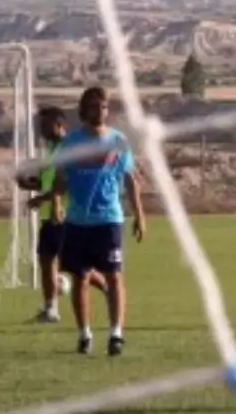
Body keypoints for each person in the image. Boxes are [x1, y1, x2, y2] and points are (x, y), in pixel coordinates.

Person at [52, 87, 145, 356]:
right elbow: (61, 177)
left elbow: (129, 179)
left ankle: (116, 334)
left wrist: (139, 215)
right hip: (78, 222)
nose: (100, 112)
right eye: (94, 107)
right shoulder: (70, 143)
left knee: (114, 276)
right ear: (84, 111)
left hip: (109, 220)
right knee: (79, 278)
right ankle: (84, 334)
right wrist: (56, 203)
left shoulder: (118, 141)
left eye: (103, 107)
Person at [19, 106, 106, 323]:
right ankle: (50, 309)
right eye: (40, 125)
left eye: (45, 124)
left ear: (60, 125)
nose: (41, 129)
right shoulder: (50, 148)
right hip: (52, 213)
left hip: (67, 213)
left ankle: (107, 285)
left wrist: (50, 201)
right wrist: (31, 182)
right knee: (46, 259)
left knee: (75, 266)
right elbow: (50, 179)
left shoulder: (68, 148)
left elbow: (65, 183)